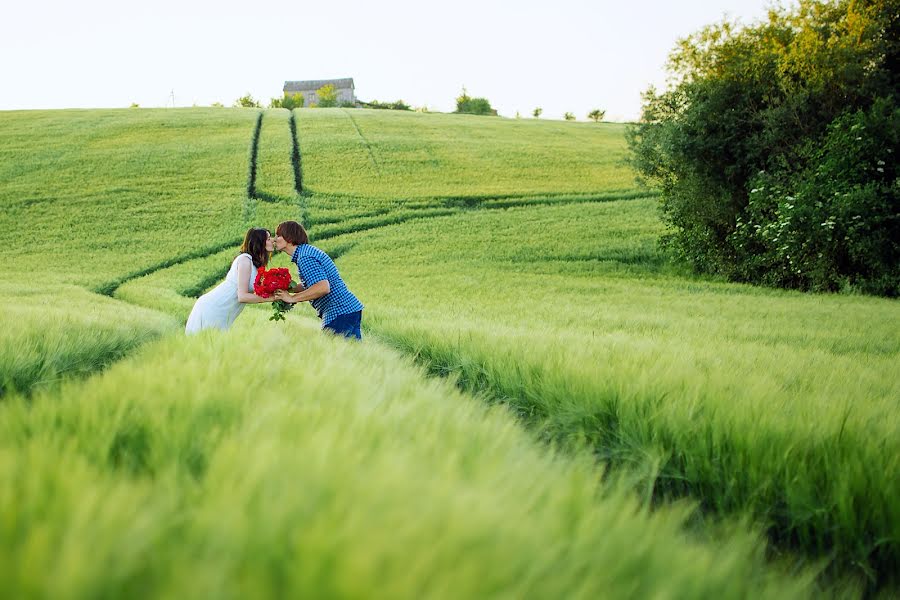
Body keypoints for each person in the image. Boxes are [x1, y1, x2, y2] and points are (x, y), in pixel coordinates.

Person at [273, 220, 364, 340]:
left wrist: (291, 298)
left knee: (337, 357)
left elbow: (322, 287)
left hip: (339, 312)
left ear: (289, 238)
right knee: (353, 355)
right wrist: (287, 287)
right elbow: (312, 284)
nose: (274, 239)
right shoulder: (306, 252)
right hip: (347, 310)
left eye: (278, 235)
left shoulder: (305, 257)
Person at [185, 228, 275, 334]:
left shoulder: (255, 264)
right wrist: (272, 298)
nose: (272, 240)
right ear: (259, 243)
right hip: (213, 308)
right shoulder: (245, 260)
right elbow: (242, 296)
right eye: (269, 239)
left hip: (222, 312)